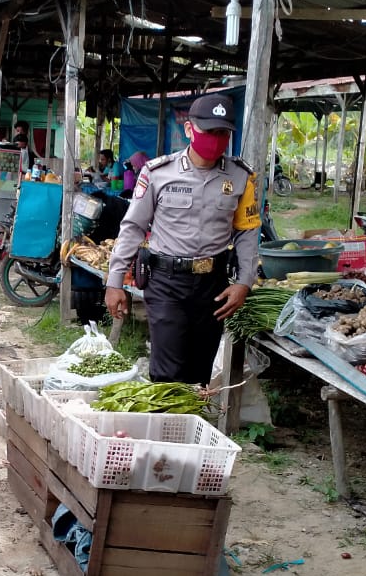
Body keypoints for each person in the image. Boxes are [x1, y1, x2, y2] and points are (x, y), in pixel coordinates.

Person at [105, 92, 260, 384]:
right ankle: (163, 427)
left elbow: (247, 231)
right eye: (208, 131)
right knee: (167, 372)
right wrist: (114, 281)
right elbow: (133, 227)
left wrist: (244, 282)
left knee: (200, 370)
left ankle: (191, 427)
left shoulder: (241, 177)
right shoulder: (158, 173)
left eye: (222, 133)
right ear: (189, 129)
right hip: (166, 282)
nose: (215, 139)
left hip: (212, 285)